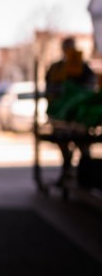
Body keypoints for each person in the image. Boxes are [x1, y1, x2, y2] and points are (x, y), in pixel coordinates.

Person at [45, 37, 96, 185]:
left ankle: (85, 174)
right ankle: (68, 169)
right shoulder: (56, 68)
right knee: (64, 144)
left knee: (84, 145)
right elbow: (50, 90)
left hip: (79, 118)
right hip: (61, 117)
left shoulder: (84, 68)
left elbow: (90, 89)